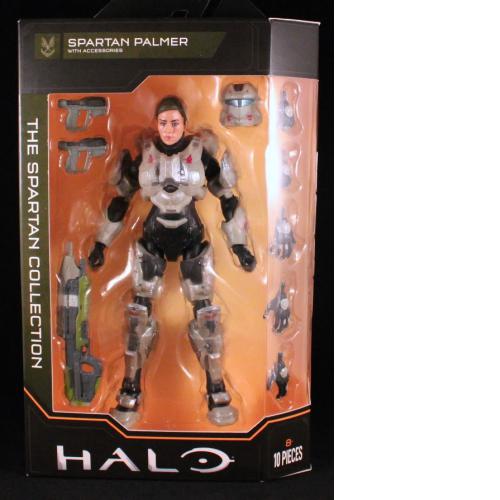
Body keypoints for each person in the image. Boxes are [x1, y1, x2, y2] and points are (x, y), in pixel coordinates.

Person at [88, 95, 256, 427]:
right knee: (137, 317)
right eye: (163, 123)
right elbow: (121, 200)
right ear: (156, 123)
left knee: (206, 316)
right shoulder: (146, 155)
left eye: (174, 123)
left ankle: (216, 390)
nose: (168, 129)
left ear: (184, 123)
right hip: (153, 237)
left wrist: (239, 247)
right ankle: (130, 391)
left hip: (191, 237)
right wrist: (100, 244)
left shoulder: (200, 154)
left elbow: (227, 197)